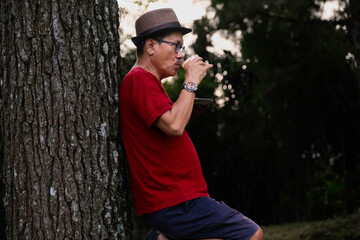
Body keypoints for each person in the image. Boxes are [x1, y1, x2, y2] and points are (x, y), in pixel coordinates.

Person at [119, 8, 263, 240]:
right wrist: (191, 81)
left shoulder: (147, 83)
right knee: (251, 234)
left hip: (179, 200)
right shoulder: (139, 80)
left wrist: (187, 110)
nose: (180, 55)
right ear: (151, 46)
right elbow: (175, 126)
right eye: (175, 45)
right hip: (175, 200)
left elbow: (167, 126)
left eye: (182, 47)